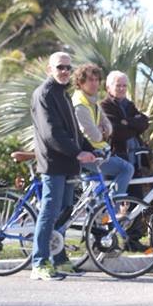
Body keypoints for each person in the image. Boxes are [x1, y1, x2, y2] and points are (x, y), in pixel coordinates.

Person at [30, 52, 97, 280]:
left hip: (69, 163)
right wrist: (78, 152)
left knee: (65, 212)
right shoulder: (44, 94)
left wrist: (92, 149)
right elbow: (52, 134)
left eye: (68, 68)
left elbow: (75, 132)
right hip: (53, 163)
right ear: (50, 69)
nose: (65, 72)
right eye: (60, 67)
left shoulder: (63, 93)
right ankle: (39, 262)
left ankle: (59, 259)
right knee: (50, 211)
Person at [71, 64, 135, 198]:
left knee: (93, 198)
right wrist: (102, 132)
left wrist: (102, 131)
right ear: (80, 82)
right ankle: (112, 208)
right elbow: (94, 136)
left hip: (96, 153)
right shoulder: (80, 104)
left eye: (96, 80)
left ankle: (99, 215)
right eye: (90, 80)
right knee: (126, 169)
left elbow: (109, 127)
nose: (94, 83)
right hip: (90, 153)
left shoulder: (92, 101)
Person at [99, 71, 150, 170]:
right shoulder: (104, 106)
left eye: (124, 86)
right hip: (117, 156)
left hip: (136, 156)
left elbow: (144, 123)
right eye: (118, 86)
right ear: (108, 88)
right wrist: (135, 126)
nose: (122, 89)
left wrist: (127, 122)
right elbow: (115, 131)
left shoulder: (129, 105)